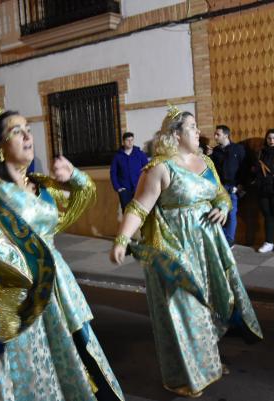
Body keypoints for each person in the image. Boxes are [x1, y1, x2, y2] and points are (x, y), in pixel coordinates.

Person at [0, 100, 124, 401]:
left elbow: (83, 198)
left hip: (55, 289)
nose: (27, 136)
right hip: (12, 297)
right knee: (24, 374)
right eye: (17, 131)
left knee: (74, 362)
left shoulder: (41, 187)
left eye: (28, 129)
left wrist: (74, 175)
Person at [110, 106, 262, 397]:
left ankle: (209, 361)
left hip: (209, 247)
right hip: (176, 249)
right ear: (176, 134)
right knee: (184, 312)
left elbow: (219, 193)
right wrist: (121, 239)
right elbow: (139, 208)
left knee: (210, 308)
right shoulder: (159, 168)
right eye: (191, 127)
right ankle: (185, 375)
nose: (198, 131)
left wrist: (221, 206)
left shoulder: (205, 161)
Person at [210, 124, 246, 246]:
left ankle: (229, 241)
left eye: (218, 134)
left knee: (231, 213)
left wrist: (241, 184)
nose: (215, 136)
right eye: (215, 134)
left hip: (233, 187)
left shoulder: (238, 149)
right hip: (219, 188)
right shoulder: (215, 151)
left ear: (226, 135)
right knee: (219, 213)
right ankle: (222, 239)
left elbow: (244, 167)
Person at [256, 129, 274, 253]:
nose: (271, 140)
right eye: (269, 138)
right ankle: (269, 242)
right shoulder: (261, 153)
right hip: (263, 188)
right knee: (268, 215)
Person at [110, 131, 149, 211]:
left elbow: (147, 169)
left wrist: (145, 184)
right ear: (123, 142)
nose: (130, 142)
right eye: (128, 140)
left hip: (139, 187)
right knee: (127, 211)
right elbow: (113, 173)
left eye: (132, 140)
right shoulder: (117, 157)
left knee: (140, 210)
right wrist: (118, 187)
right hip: (124, 189)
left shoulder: (140, 154)